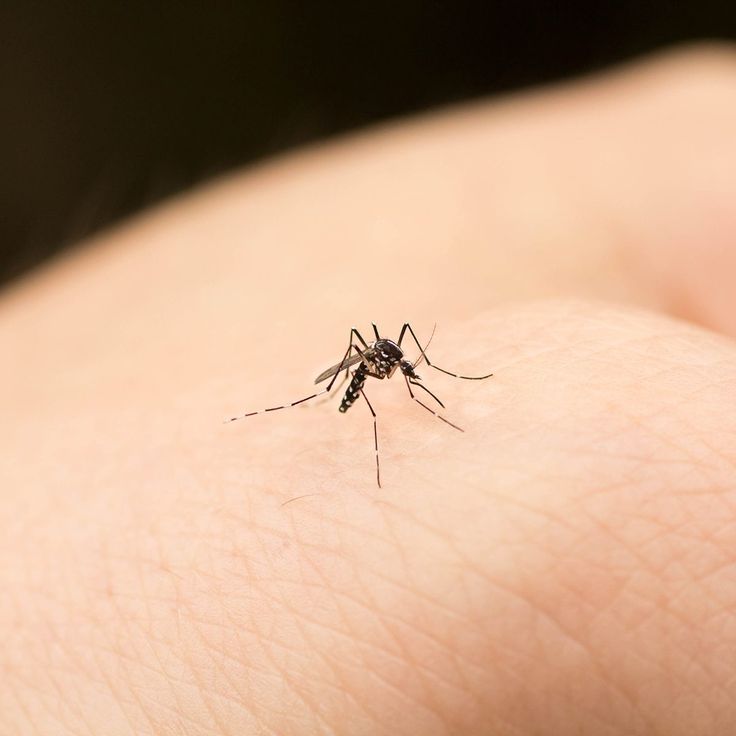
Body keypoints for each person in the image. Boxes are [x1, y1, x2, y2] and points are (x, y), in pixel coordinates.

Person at [1, 44, 735, 734]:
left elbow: (395, 350)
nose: (400, 369)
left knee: (393, 348)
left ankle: (402, 389)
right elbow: (373, 359)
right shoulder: (371, 369)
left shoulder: (394, 351)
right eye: (403, 369)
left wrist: (428, 374)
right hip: (353, 376)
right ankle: (340, 408)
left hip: (371, 360)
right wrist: (370, 393)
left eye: (403, 369)